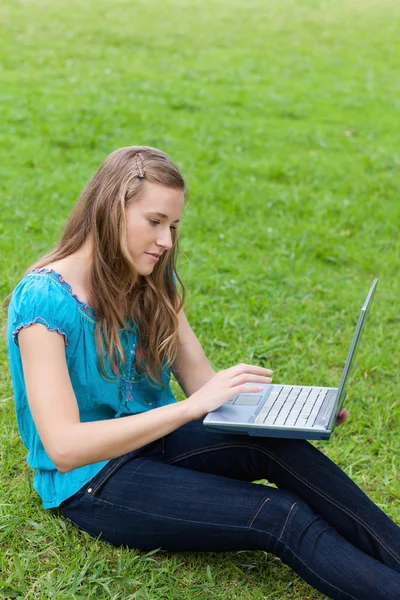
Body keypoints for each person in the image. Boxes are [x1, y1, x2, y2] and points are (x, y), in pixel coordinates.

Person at [5, 146, 400, 600]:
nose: (166, 241)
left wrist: (291, 414)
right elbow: (65, 447)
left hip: (155, 444)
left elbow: (201, 385)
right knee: (279, 515)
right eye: (154, 222)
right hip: (93, 481)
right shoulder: (43, 302)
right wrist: (189, 410)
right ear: (111, 209)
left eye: (172, 226)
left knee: (280, 447)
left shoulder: (154, 282)